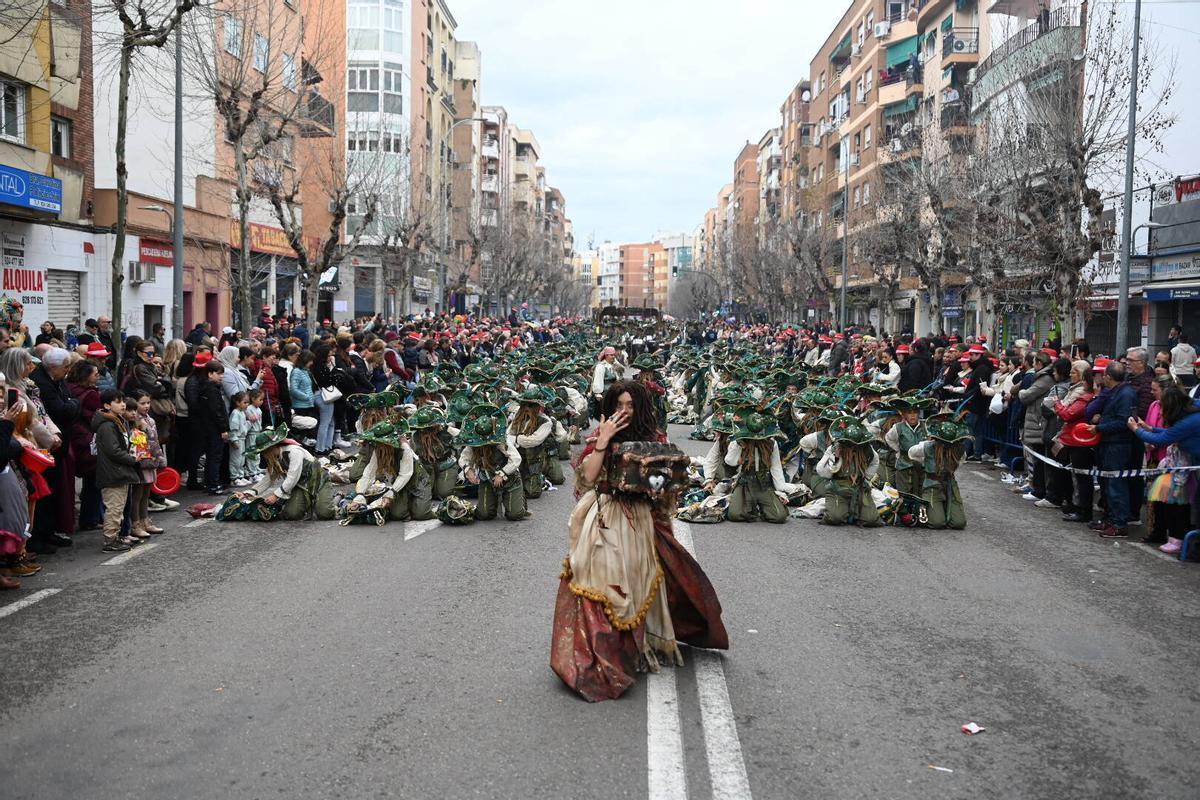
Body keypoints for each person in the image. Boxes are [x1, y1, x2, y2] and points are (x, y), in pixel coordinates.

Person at [551, 380, 728, 702]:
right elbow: (588, 478)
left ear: (641, 408)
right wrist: (603, 441)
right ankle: (600, 649)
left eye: (631, 405)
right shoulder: (601, 435)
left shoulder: (654, 439)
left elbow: (665, 486)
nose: (624, 411)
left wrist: (660, 487)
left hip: (640, 519)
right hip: (605, 516)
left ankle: (631, 645)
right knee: (597, 578)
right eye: (619, 405)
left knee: (635, 582)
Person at [217, 425, 333, 521]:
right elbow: (268, 479)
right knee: (291, 514)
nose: (263, 454)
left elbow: (292, 477)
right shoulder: (275, 459)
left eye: (264, 451)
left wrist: (276, 495)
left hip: (319, 481)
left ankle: (336, 500)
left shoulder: (294, 452)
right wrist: (248, 493)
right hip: (300, 486)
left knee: (325, 514)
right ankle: (308, 503)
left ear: (272, 447)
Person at [29, 347, 79, 551]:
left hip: (59, 443)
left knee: (53, 492)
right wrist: (72, 404)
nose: (68, 371)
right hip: (45, 446)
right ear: (53, 367)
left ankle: (49, 531)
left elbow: (71, 401)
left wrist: (71, 404)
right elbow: (60, 409)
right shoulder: (41, 382)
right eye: (65, 367)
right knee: (43, 494)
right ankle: (38, 536)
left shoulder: (57, 380)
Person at [335, 420, 432, 524]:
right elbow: (369, 473)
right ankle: (405, 504)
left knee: (421, 514)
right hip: (398, 481)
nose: (377, 444)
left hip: (416, 480)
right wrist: (360, 494)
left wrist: (391, 493)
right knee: (397, 514)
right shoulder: (379, 450)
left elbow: (405, 475)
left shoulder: (404, 448)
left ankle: (417, 504)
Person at [1085, 362, 1138, 538]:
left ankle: (1119, 523)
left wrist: (1099, 427)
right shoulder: (1115, 391)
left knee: (1117, 485)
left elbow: (1123, 422)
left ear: (1108, 377)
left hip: (1118, 444)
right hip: (1109, 443)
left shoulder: (1125, 394)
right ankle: (1110, 519)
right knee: (1108, 484)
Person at [723, 409, 798, 524]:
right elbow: (730, 461)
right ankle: (751, 507)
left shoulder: (771, 442)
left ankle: (760, 508)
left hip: (764, 485)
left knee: (779, 517)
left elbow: (776, 467)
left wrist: (780, 489)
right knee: (735, 515)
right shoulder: (739, 441)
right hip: (745, 485)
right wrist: (739, 443)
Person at [457, 405, 528, 521]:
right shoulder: (474, 441)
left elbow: (516, 459)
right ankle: (492, 501)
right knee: (484, 515)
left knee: (515, 515)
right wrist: (468, 470)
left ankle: (519, 499)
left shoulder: (501, 441)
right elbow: (464, 457)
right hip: (487, 479)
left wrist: (502, 474)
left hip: (509, 479)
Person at [92, 389, 141, 552]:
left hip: (119, 471)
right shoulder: (107, 425)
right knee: (114, 508)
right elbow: (113, 451)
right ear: (107, 405)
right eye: (118, 402)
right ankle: (110, 540)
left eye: (123, 401)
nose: (123, 405)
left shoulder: (117, 421)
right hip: (112, 472)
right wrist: (132, 459)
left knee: (118, 507)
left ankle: (116, 536)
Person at [907, 419, 970, 530]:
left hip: (950, 484)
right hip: (932, 485)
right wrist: (925, 463)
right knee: (937, 523)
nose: (948, 445)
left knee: (958, 523)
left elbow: (961, 460)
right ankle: (933, 508)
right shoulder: (927, 446)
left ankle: (944, 507)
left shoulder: (959, 449)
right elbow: (911, 453)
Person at [66, 360, 104, 531]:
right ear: (86, 376)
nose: (98, 377)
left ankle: (94, 516)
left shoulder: (69, 389)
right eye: (95, 374)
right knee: (94, 481)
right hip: (88, 440)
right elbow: (97, 417)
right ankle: (91, 518)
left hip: (76, 438)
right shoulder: (90, 395)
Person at [126, 389, 166, 538]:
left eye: (148, 402)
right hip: (140, 462)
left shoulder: (150, 420)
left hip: (151, 460)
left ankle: (145, 521)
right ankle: (135, 524)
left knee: (146, 493)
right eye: (142, 403)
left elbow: (155, 442)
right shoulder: (133, 421)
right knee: (138, 494)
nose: (146, 406)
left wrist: (159, 458)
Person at [196, 361, 231, 495]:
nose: (221, 376)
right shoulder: (211, 389)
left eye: (222, 374)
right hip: (214, 428)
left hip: (208, 427)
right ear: (210, 374)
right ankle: (213, 484)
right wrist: (223, 429)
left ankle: (210, 483)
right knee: (215, 456)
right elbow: (216, 411)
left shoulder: (205, 387)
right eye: (219, 373)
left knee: (212, 456)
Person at [228, 391, 251, 486]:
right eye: (245, 402)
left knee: (241, 459)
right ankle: (234, 478)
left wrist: (250, 423)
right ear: (237, 402)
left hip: (242, 438)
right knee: (235, 459)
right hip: (237, 439)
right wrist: (234, 440)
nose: (247, 405)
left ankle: (240, 476)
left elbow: (244, 427)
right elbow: (233, 428)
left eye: (248, 402)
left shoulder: (242, 413)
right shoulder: (235, 413)